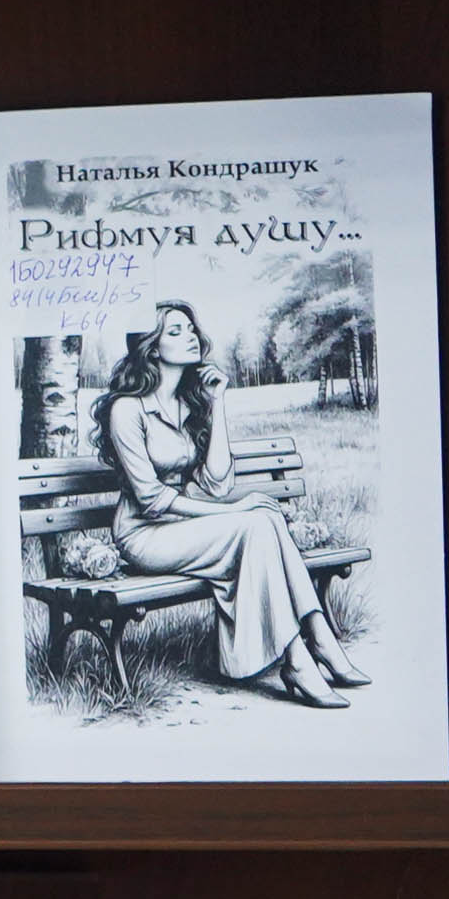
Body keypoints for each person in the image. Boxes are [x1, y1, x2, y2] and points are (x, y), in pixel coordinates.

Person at [96, 300, 367, 706]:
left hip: (185, 529)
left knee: (264, 518)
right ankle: (300, 656)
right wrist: (233, 512)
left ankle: (319, 640)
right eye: (175, 331)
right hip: (145, 536)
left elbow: (218, 483)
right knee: (255, 520)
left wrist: (217, 402)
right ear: (151, 348)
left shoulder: (188, 404)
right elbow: (151, 499)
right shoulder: (127, 409)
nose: (190, 336)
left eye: (190, 328)